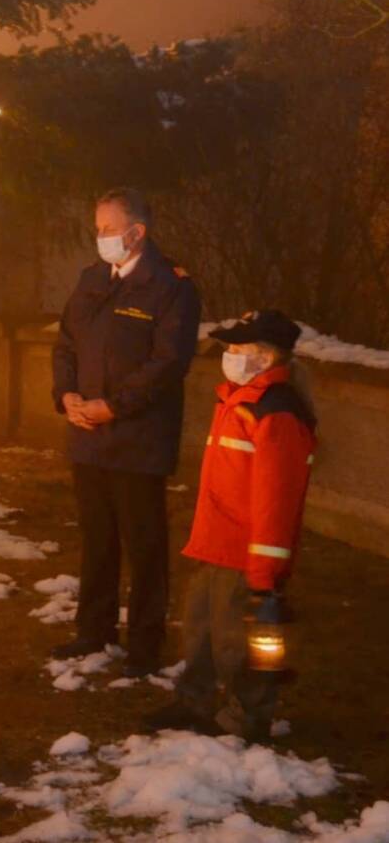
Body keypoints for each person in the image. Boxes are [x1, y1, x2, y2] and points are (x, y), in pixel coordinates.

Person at [51, 187, 201, 677]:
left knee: (144, 544)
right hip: (88, 435)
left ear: (137, 233)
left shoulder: (171, 286)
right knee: (97, 538)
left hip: (137, 440)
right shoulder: (93, 279)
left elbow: (167, 363)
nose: (101, 239)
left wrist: (114, 407)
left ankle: (144, 644)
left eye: (109, 230)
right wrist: (68, 396)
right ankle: (93, 631)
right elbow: (67, 343)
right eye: (98, 229)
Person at [145, 310, 315, 740]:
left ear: (267, 356)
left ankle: (247, 716)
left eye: (239, 348)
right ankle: (194, 700)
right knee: (200, 630)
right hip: (214, 544)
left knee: (236, 641)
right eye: (231, 348)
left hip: (244, 553)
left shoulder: (276, 412)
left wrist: (264, 574)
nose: (230, 355)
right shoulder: (237, 399)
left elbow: (276, 500)